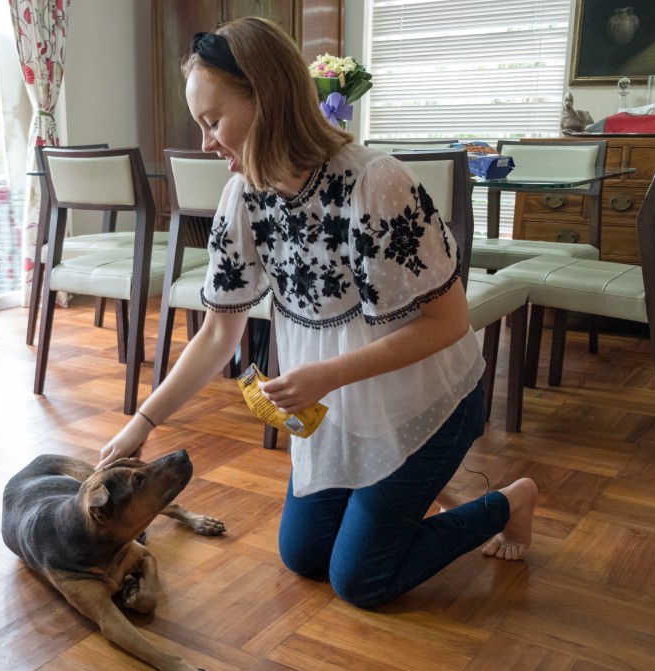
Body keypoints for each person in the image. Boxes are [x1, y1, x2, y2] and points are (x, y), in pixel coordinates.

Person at [99, 16, 537, 608]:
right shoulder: (244, 194)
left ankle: (509, 501)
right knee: (304, 557)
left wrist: (325, 375)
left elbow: (449, 323)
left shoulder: (376, 185)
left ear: (269, 98)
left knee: (361, 581)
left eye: (213, 120)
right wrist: (143, 422)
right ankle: (404, 497)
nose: (206, 142)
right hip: (338, 410)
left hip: (429, 400)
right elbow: (219, 332)